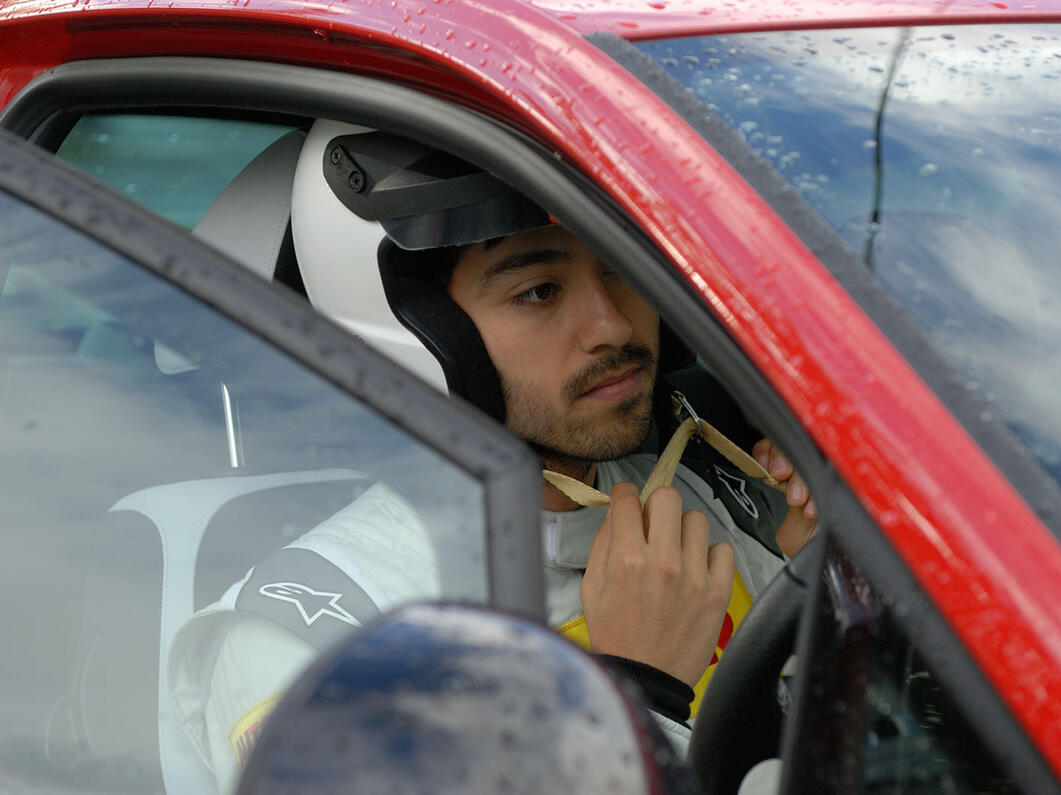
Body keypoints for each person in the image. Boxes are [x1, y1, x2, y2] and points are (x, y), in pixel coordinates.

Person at [168, 124, 817, 792]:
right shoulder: (314, 636)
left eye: (620, 267)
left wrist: (818, 583)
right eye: (539, 290)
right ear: (417, 330)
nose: (613, 325)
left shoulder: (689, 496)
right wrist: (636, 690)